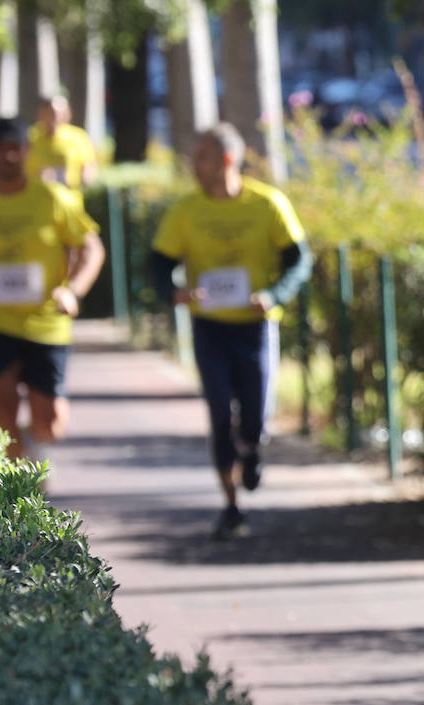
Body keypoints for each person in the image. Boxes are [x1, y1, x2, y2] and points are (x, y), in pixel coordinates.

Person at [149, 123, 313, 540]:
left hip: (255, 327)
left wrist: (274, 294)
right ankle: (231, 505)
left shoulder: (267, 203)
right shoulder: (186, 210)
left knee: (254, 417)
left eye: (200, 158)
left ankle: (254, 448)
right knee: (220, 415)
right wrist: (174, 292)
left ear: (226, 160)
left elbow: (298, 260)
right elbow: (156, 263)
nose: (193, 166)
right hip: (209, 327)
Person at [0, 117, 105, 465]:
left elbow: (92, 248)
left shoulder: (52, 199)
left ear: (27, 152)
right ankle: (19, 491)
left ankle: (30, 445)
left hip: (47, 322)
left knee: (51, 424)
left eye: (16, 149)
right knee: (2, 411)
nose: (8, 157)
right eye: (2, 149)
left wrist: (74, 291)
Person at [24, 94, 98, 197]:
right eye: (50, 113)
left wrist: (84, 179)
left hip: (70, 198)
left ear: (67, 114)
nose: (54, 118)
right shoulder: (30, 137)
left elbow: (89, 166)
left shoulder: (78, 137)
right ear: (41, 114)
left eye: (58, 114)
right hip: (36, 197)